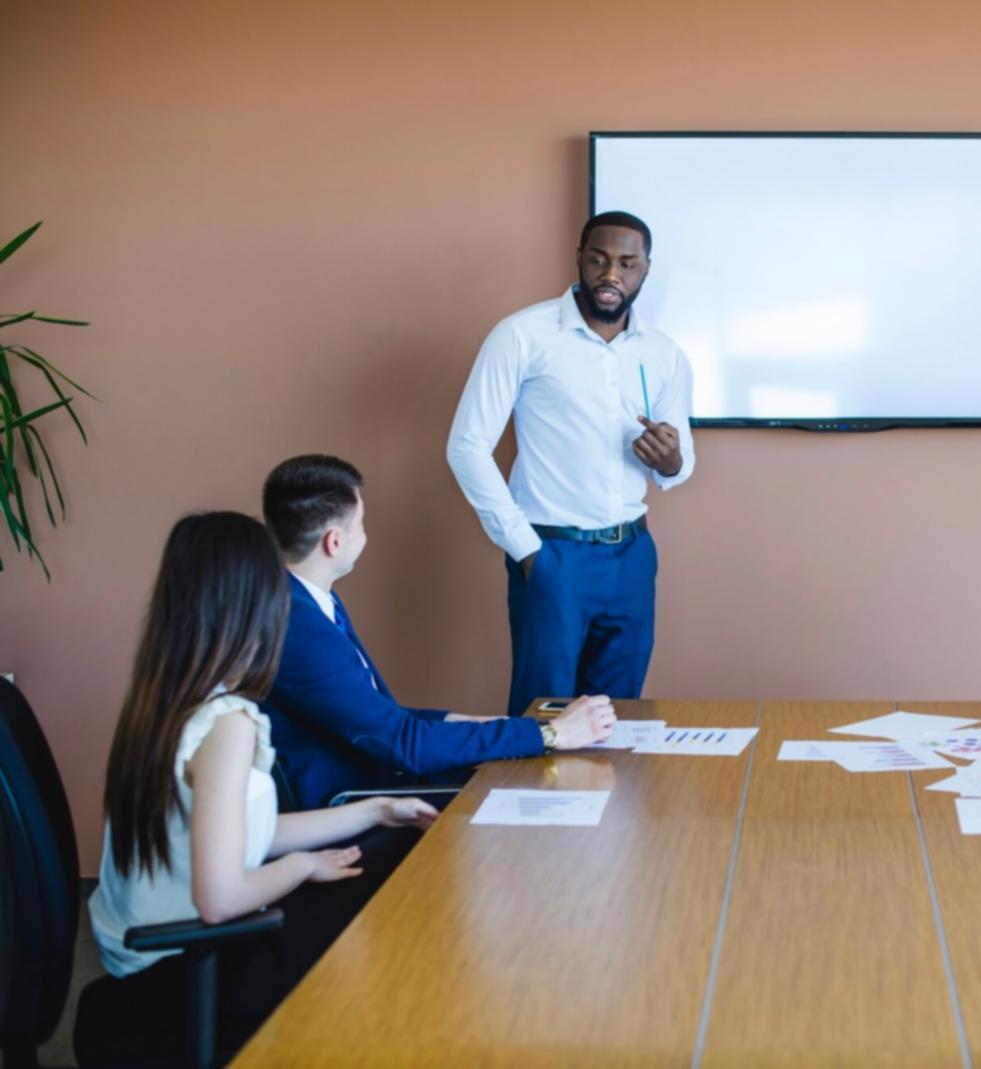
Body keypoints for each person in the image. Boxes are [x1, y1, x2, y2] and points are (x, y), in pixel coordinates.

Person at [76, 512, 439, 1063]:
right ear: (258, 608)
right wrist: (304, 867)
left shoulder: (166, 698)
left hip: (151, 952)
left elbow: (244, 833)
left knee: (393, 843)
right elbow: (219, 900)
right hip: (191, 965)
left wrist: (377, 811)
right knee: (402, 890)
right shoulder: (226, 722)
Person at [260, 455, 617, 809]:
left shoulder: (306, 601)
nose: (365, 535)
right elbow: (403, 743)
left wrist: (464, 722)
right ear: (334, 542)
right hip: (362, 805)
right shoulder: (302, 629)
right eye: (362, 524)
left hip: (384, 781)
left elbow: (377, 716)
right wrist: (551, 733)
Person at [446, 210, 695, 712]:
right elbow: (466, 445)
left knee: (619, 715)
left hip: (632, 554)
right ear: (579, 259)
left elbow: (679, 461)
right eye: (599, 260)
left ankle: (614, 796)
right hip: (553, 552)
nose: (611, 275)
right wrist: (525, 549)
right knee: (546, 714)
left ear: (646, 270)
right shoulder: (522, 335)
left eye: (627, 264)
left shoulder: (664, 354)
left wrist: (670, 461)